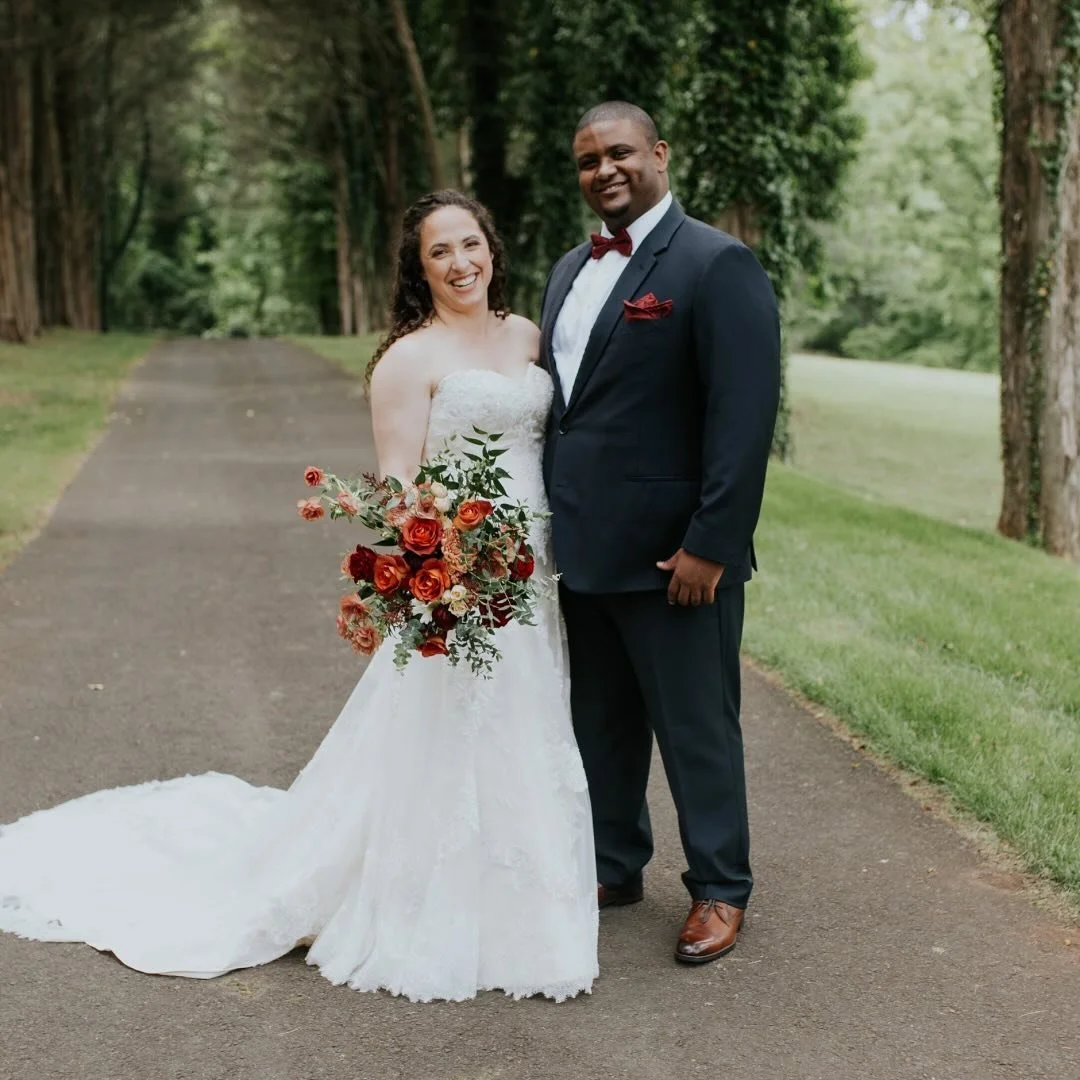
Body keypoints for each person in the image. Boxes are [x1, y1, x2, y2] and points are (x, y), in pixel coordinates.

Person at [0, 190, 598, 1004]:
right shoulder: (409, 359)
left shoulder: (527, 336)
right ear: (418, 270)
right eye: (439, 253)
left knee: (525, 721)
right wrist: (449, 556)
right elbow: (396, 489)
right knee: (447, 731)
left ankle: (523, 897)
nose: (461, 264)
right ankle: (429, 900)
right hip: (462, 579)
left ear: (492, 246)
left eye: (470, 244)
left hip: (534, 575)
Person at [540, 101, 781, 963]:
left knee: (696, 727)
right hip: (584, 549)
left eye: (619, 153)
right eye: (586, 160)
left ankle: (720, 887)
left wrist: (711, 543)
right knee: (599, 720)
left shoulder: (718, 264)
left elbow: (742, 418)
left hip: (679, 556)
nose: (603, 169)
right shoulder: (568, 270)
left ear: (659, 155)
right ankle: (614, 864)